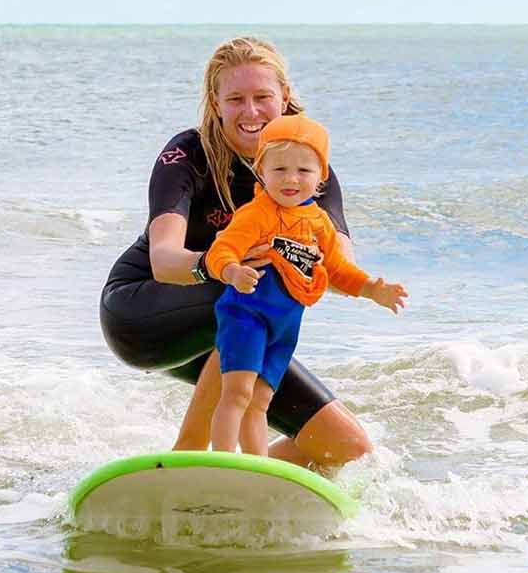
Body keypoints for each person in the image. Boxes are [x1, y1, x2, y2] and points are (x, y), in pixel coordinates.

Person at [99, 36, 375, 470]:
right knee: (248, 284)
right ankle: (190, 451)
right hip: (143, 311)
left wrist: (322, 265)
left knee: (347, 447)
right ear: (216, 102)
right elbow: (164, 259)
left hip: (237, 326)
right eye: (236, 99)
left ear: (284, 96)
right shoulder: (187, 155)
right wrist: (224, 268)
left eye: (263, 97)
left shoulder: (306, 168)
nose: (251, 112)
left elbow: (338, 259)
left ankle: (246, 478)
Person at [204, 115, 407, 455]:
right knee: (237, 392)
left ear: (321, 176)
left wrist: (373, 288)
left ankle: (257, 467)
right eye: (279, 169)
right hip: (246, 314)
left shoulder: (318, 222)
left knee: (260, 401)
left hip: (284, 324)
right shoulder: (256, 214)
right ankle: (222, 460)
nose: (291, 179)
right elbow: (220, 251)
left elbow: (338, 269)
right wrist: (232, 272)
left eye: (304, 171)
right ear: (261, 171)